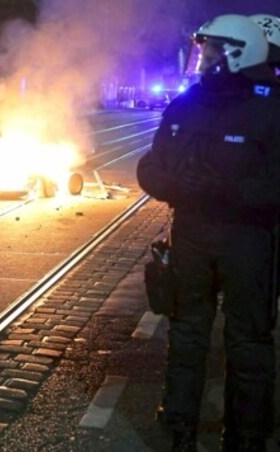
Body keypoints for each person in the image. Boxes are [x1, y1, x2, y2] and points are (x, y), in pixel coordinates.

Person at [137, 14, 280, 452]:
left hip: (249, 237)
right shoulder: (188, 102)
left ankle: (246, 434)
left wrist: (232, 191)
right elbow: (151, 166)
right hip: (192, 233)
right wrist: (174, 185)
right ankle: (179, 425)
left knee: (248, 339)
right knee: (186, 330)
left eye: (214, 50)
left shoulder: (270, 106)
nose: (205, 58)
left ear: (239, 52)